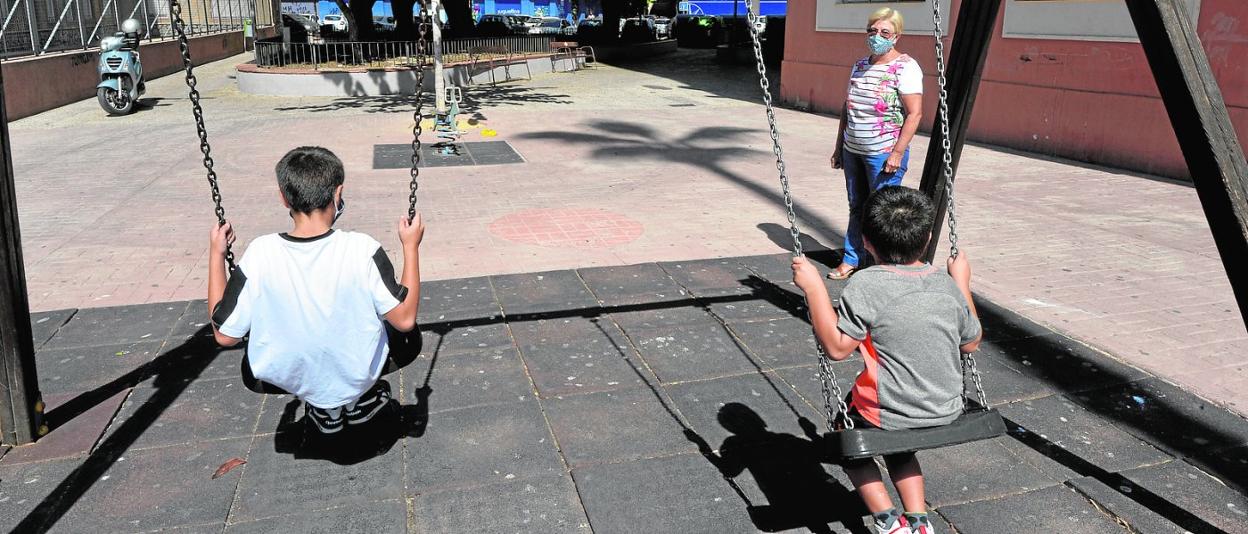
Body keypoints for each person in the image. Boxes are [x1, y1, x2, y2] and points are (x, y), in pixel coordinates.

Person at [792, 186, 982, 534]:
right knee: (899, 446)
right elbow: (971, 342)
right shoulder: (946, 284)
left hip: (888, 412)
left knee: (849, 440)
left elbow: (837, 348)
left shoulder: (866, 285)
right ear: (927, 238)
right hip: (945, 407)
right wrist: (962, 282)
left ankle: (888, 522)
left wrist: (814, 288)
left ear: (865, 241)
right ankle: (920, 522)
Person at [207, 146, 424, 434]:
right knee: (406, 333)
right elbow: (405, 319)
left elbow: (224, 335)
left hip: (287, 374)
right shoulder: (362, 248)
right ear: (338, 193)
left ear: (283, 197)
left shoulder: (260, 252)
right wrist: (410, 246)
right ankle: (356, 399)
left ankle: (327, 408)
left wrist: (216, 254)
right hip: (356, 371)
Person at [829, 7, 925, 280]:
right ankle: (852, 258)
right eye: (873, 31)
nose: (877, 36)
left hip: (882, 153)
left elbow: (915, 113)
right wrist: (839, 147)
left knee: (884, 212)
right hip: (853, 149)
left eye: (884, 32)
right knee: (857, 207)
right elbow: (848, 108)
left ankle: (883, 264)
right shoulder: (860, 65)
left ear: (896, 37)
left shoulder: (906, 67)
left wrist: (897, 152)